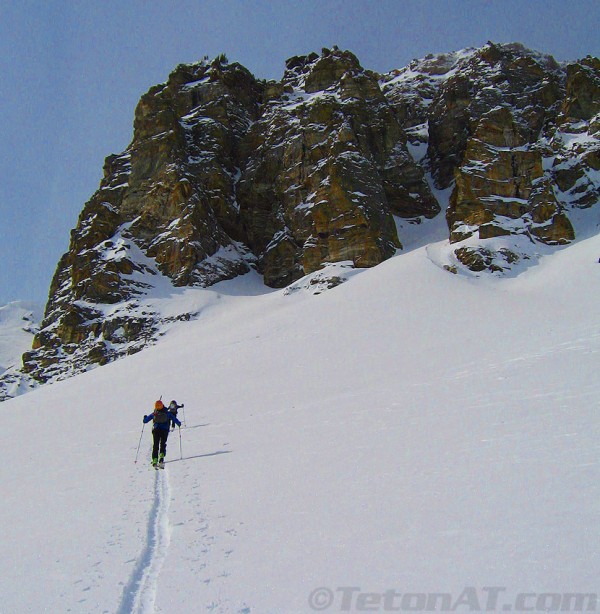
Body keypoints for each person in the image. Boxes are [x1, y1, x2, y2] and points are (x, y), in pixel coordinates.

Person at [143, 400, 181, 467]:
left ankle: (155, 459)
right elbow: (174, 418)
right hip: (165, 430)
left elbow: (145, 421)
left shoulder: (154, 413)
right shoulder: (167, 412)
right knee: (163, 443)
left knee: (155, 445)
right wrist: (179, 423)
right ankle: (161, 457)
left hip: (156, 430)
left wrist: (145, 418)